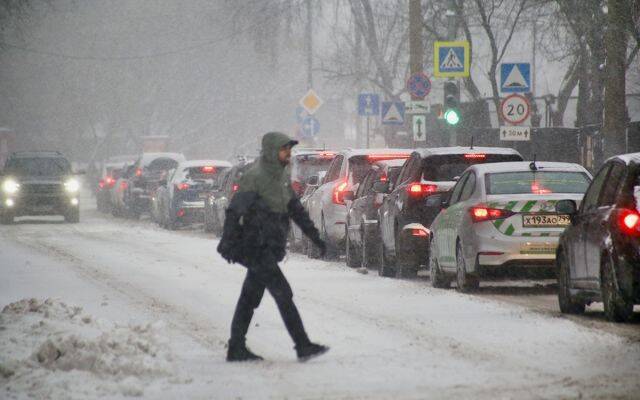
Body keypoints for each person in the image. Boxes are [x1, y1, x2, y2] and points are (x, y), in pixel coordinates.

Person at [218, 132, 329, 362]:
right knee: (283, 294)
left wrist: (315, 237)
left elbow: (295, 210)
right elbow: (235, 210)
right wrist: (227, 241)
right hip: (257, 246)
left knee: (249, 297)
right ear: (271, 151)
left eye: (288, 149)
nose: (288, 153)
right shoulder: (255, 177)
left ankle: (236, 347)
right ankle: (302, 344)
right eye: (283, 149)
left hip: (270, 247)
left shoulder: (280, 176)